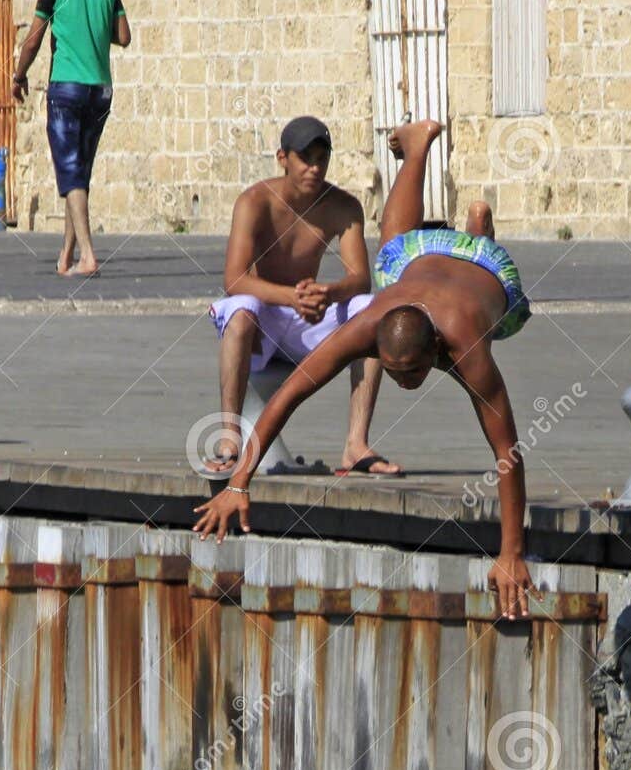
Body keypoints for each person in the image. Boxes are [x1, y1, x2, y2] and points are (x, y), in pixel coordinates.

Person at [193, 119, 536, 619]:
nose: (403, 382)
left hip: (488, 270)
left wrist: (511, 553)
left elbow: (507, 452)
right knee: (393, 247)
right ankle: (418, 151)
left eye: (413, 372)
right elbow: (289, 394)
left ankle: (478, 229)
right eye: (393, 372)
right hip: (419, 263)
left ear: (436, 349)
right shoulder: (370, 324)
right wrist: (239, 482)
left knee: (418, 254)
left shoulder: (467, 345)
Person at [209, 116, 400, 477]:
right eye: (304, 158)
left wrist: (327, 293)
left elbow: (360, 279)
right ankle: (230, 436)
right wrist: (290, 297)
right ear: (282, 158)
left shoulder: (343, 206)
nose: (314, 168)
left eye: (320, 159)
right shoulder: (254, 201)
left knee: (372, 310)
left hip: (307, 318)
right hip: (263, 322)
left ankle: (355, 444)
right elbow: (234, 280)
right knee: (240, 309)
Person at [11, 0, 131, 278]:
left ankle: (89, 256)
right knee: (79, 170)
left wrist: (19, 75)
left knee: (70, 169)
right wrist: (95, 28)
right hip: (100, 89)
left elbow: (33, 38)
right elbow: (123, 36)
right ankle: (66, 255)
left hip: (67, 86)